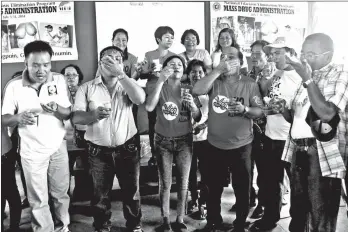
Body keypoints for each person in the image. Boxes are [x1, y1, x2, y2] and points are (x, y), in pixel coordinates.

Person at [72, 46, 146, 232]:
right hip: (98, 151)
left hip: (127, 148)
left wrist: (122, 75)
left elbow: (140, 99)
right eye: (108, 59)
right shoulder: (86, 88)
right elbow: (76, 118)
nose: (114, 62)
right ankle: (102, 226)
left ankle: (135, 225)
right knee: (100, 195)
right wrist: (93, 115)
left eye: (118, 59)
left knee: (132, 192)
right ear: (100, 63)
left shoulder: (127, 84)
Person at [2, 40, 72, 232]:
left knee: (60, 194)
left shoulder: (58, 80)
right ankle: (44, 229)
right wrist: (18, 117)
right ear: (26, 63)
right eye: (35, 65)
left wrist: (58, 109)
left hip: (58, 147)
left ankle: (62, 227)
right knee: (38, 198)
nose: (41, 70)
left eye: (46, 64)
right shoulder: (13, 86)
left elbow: (67, 112)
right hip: (31, 151)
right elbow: (4, 118)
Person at [280, 33, 348, 232]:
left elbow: (327, 113)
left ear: (328, 55)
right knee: (299, 211)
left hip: (321, 152)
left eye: (311, 53)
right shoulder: (308, 74)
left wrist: (308, 79)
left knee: (321, 213)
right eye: (303, 52)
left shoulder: (341, 73)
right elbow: (296, 118)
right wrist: (283, 109)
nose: (304, 58)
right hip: (298, 148)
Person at [193, 47, 264, 232]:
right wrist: (217, 70)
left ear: (240, 62)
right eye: (223, 57)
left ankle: (240, 223)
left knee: (242, 189)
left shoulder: (249, 84)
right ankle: (213, 221)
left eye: (231, 57)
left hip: (242, 145)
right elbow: (197, 89)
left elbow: (260, 111)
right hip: (214, 144)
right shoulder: (214, 81)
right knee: (212, 188)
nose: (226, 60)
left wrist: (245, 110)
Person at [249, 37, 303, 232]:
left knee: (296, 187)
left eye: (277, 53)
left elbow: (304, 110)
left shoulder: (299, 76)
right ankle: (270, 219)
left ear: (290, 53)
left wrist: (284, 109)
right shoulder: (275, 72)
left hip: (290, 139)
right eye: (271, 53)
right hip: (270, 135)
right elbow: (266, 96)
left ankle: (298, 225)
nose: (272, 57)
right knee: (271, 182)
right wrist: (264, 81)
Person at [145, 55, 201, 232]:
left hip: (185, 140)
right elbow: (149, 107)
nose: (176, 67)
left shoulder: (189, 89)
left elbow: (198, 116)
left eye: (179, 64)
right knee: (165, 182)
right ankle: (165, 220)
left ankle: (180, 219)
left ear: (184, 69)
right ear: (164, 68)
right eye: (171, 64)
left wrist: (193, 106)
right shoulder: (160, 87)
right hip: (162, 140)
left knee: (184, 182)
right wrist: (161, 79)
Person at [241, 40, 275, 220]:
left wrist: (264, 79)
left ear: (266, 56)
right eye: (252, 52)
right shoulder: (246, 73)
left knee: (264, 170)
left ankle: (263, 204)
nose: (254, 56)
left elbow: (268, 97)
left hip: (263, 128)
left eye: (258, 53)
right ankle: (249, 198)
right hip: (246, 127)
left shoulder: (272, 74)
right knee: (246, 167)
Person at [138, 26, 176, 166]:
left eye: (172, 37)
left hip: (168, 94)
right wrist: (150, 73)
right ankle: (154, 155)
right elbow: (142, 75)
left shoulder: (174, 56)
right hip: (153, 92)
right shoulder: (149, 54)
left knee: (168, 121)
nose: (170, 40)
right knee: (153, 122)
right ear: (158, 39)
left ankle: (169, 154)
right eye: (167, 37)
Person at [60, 64, 92, 202]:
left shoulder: (86, 91)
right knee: (62, 172)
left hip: (84, 136)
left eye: (74, 75)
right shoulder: (57, 93)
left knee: (85, 168)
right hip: (63, 139)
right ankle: (64, 201)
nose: (71, 78)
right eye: (67, 75)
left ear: (79, 77)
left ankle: (83, 196)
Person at [185, 60, 209, 220]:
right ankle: (193, 199)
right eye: (193, 71)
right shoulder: (183, 92)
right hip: (187, 140)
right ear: (188, 75)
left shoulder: (210, 92)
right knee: (190, 173)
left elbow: (216, 116)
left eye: (200, 72)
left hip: (207, 139)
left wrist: (204, 125)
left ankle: (204, 203)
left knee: (207, 173)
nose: (197, 74)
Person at [111, 28, 141, 151]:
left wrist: (137, 72)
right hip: (112, 97)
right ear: (112, 41)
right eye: (118, 39)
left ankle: (134, 151)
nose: (121, 42)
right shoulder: (106, 57)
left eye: (124, 40)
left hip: (129, 96)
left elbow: (133, 81)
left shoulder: (132, 58)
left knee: (132, 124)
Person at [1, 85, 21, 232]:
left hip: (4, 155)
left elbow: (11, 122)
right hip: (5, 152)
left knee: (10, 192)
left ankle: (14, 227)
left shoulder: (5, 102)